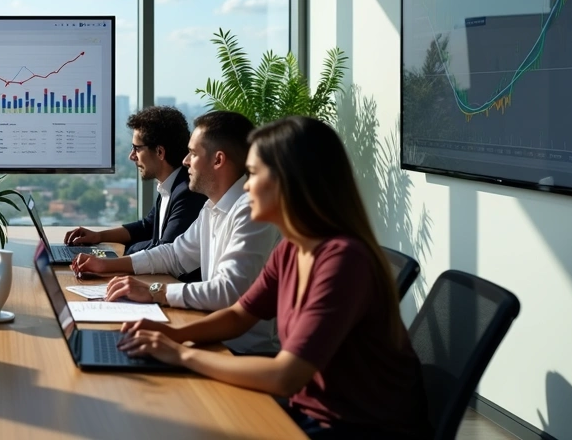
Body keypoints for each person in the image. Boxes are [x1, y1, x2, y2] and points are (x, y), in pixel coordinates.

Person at [118, 116, 430, 439]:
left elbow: (286, 376)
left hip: (359, 427)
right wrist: (170, 335)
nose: (247, 186)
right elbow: (239, 316)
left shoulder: (344, 260)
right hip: (313, 413)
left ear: (288, 181)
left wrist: (182, 354)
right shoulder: (291, 251)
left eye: (253, 174)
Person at [72, 111, 278, 354]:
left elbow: (227, 291)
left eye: (193, 153)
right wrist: (107, 266)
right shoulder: (212, 207)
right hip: (212, 340)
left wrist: (154, 291)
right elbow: (175, 254)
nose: (185, 161)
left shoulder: (251, 210)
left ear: (218, 160)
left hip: (244, 353)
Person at [64, 106, 206, 261]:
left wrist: (113, 259)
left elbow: (164, 252)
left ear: (160, 152)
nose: (132, 156)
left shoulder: (187, 193)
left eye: (137, 149)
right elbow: (147, 226)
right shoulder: (172, 184)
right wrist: (98, 236)